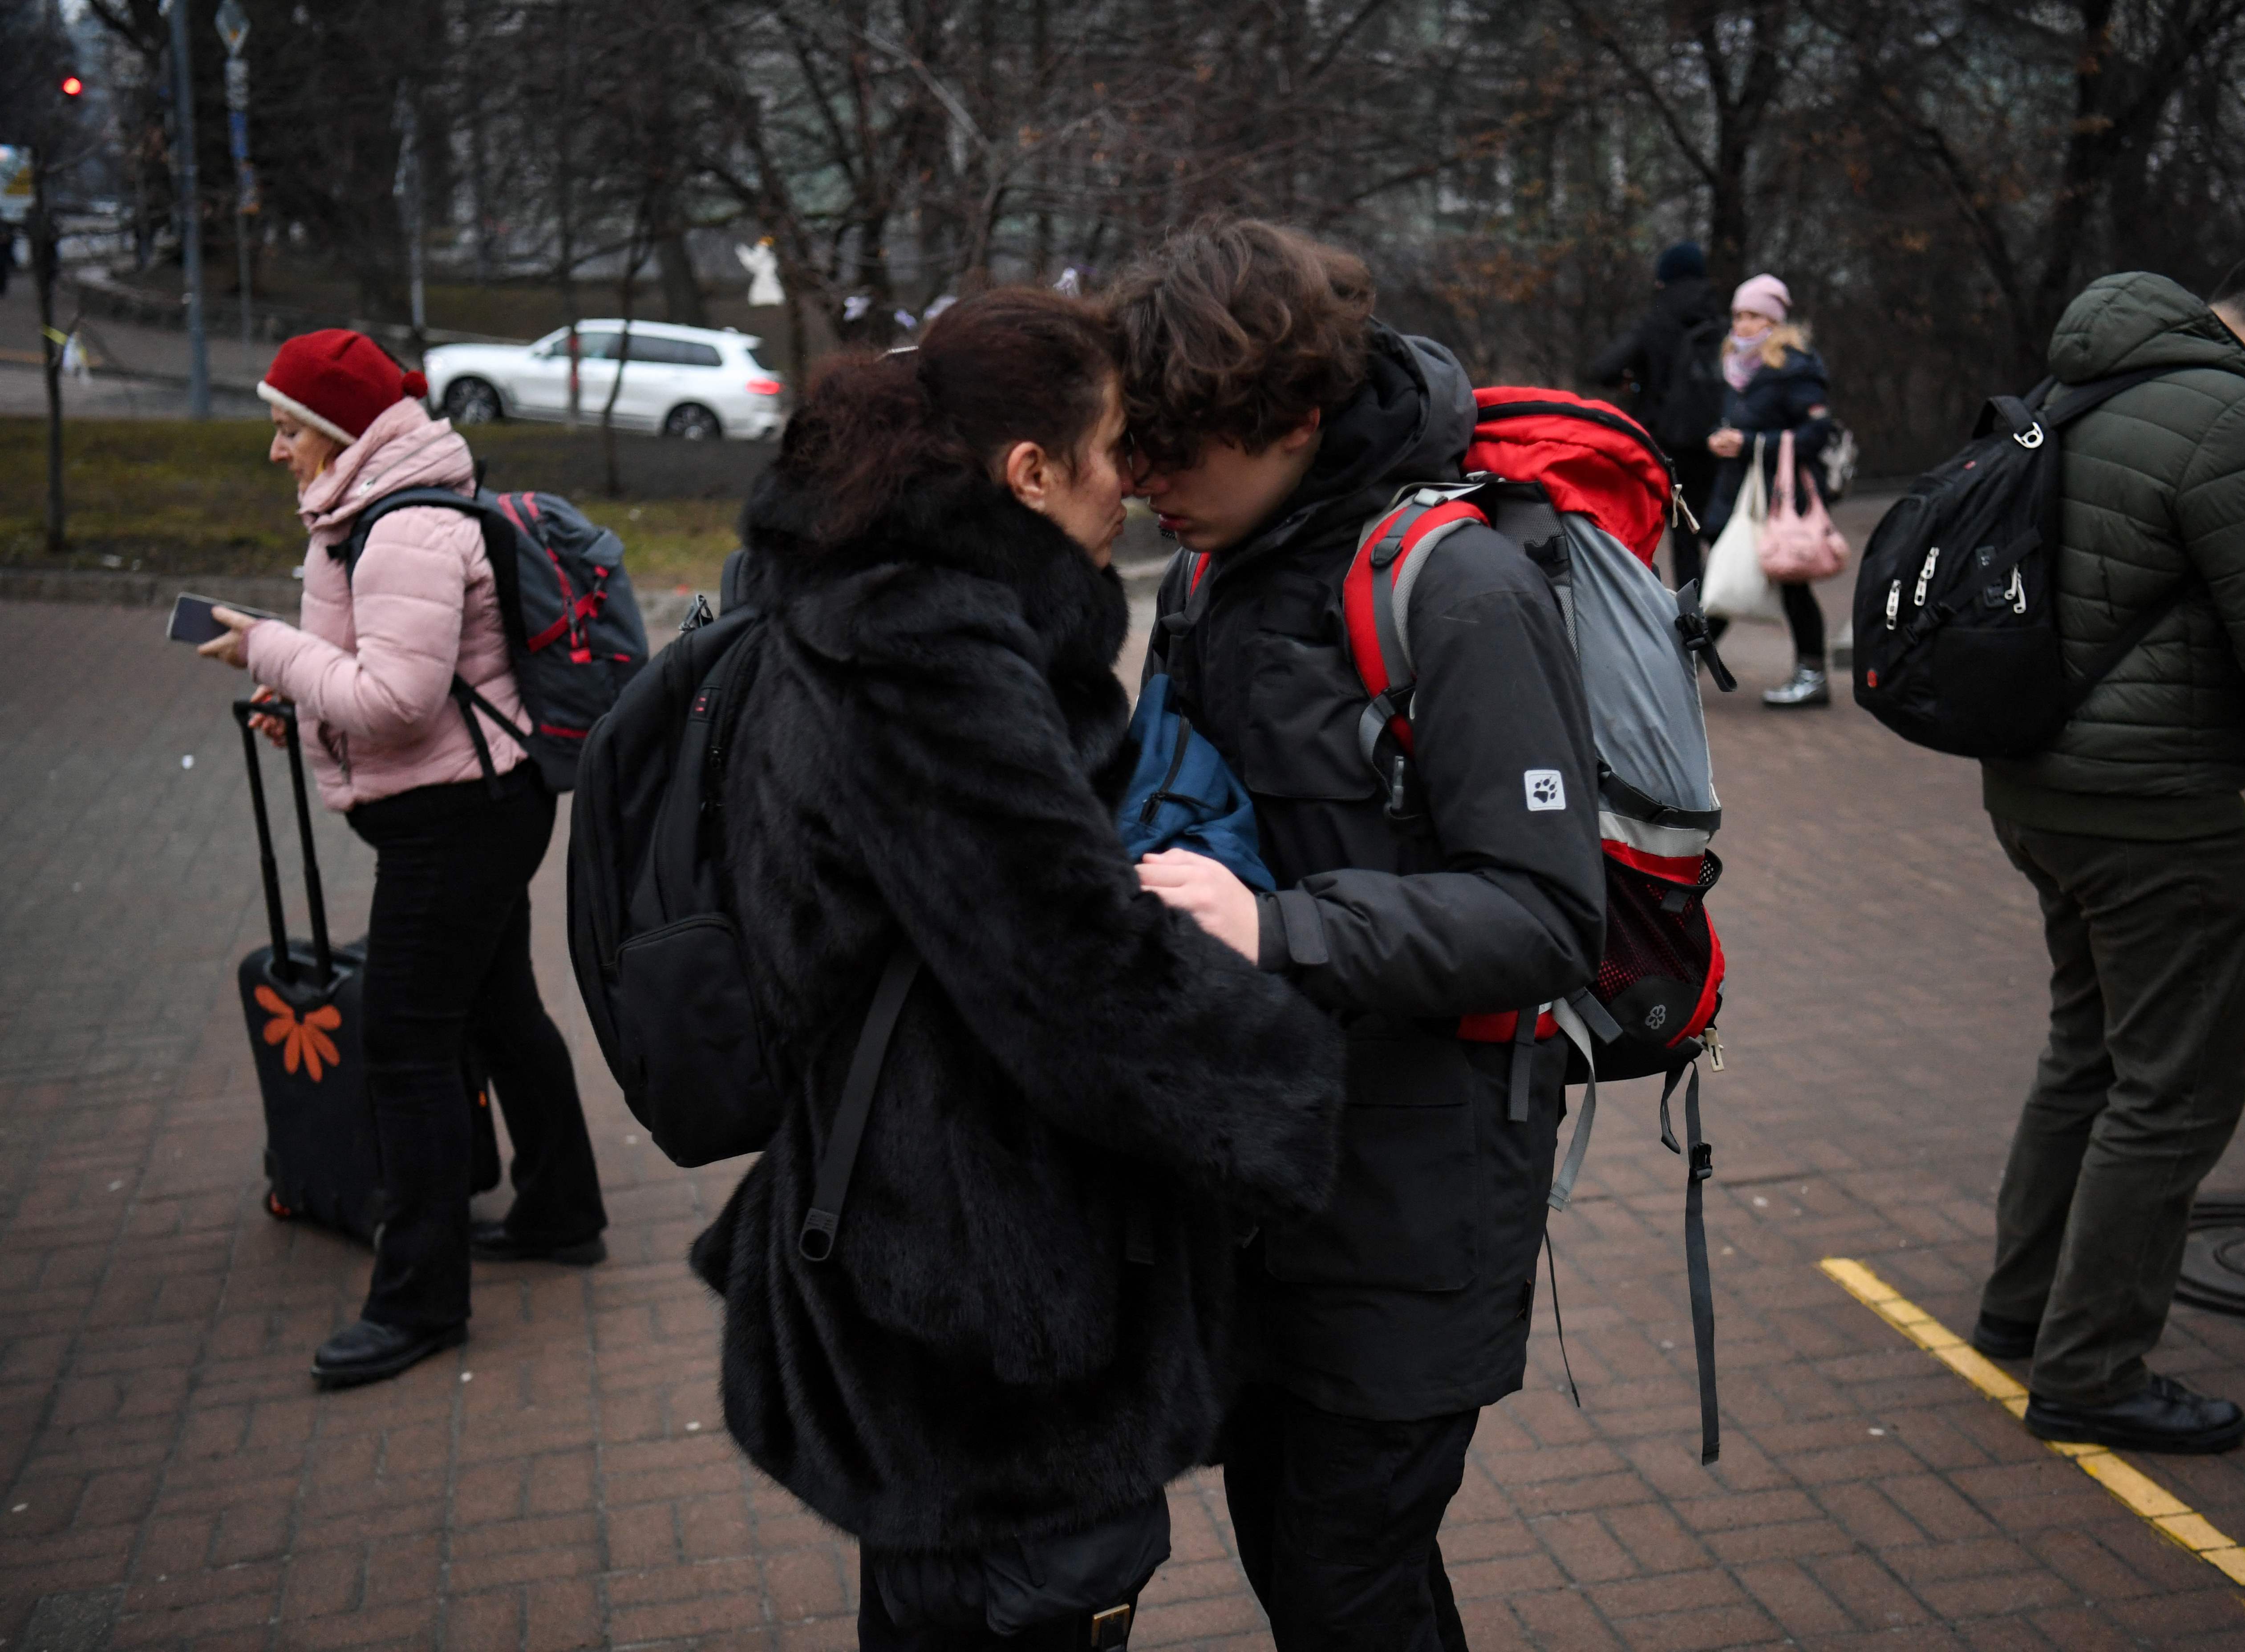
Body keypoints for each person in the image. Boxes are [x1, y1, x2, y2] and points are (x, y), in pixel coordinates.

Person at [687, 287, 1347, 1652]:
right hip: (986, 1295)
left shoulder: (859, 593)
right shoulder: (928, 650)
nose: (1137, 479)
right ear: (1028, 472)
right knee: (1025, 1593)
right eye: (1111, 445)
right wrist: (1290, 1078)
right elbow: (1074, 971)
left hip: (913, 1234)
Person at [1110, 219, 1604, 1652]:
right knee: (1307, 1548)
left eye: (1171, 452)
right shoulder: (1212, 571)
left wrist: (1279, 928)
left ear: (1291, 420)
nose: (1143, 488)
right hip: (1270, 1172)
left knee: (1338, 1562)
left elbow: (1543, 913)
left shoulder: (1455, 590)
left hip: (1419, 1186)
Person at [1967, 244, 2245, 1453]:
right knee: (2175, 1091)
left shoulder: (2073, 384)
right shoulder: (2234, 418)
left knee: (2088, 1049)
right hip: (2152, 806)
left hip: (2035, 782)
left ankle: (2024, 1308)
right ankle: (2091, 1373)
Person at [198, 328, 608, 1389]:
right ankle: (563, 1211)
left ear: (337, 430)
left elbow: (394, 702)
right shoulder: (371, 516)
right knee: (497, 1011)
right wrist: (302, 704)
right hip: (469, 801)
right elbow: (380, 685)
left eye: (288, 427)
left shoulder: (405, 532)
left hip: (456, 818)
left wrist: (266, 651)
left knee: (405, 1045)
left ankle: (420, 1301)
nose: (277, 450)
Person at [1703, 273, 1835, 706]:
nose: (1743, 324)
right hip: (1742, 495)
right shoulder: (1737, 368)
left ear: (1775, 321)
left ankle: (1812, 675)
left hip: (1780, 500)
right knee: (1722, 579)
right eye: (1739, 315)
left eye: (1754, 315)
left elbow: (1817, 434)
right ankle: (1680, 668)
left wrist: (1750, 444)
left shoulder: (1794, 367)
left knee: (1790, 582)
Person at [1587, 240, 1722, 592]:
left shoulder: (1657, 321)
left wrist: (1632, 379)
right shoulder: (1722, 319)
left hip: (1665, 442)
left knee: (1681, 534)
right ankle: (1719, 599)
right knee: (1716, 524)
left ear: (1664, 279)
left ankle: (1690, 618)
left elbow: (1604, 368)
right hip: (1717, 440)